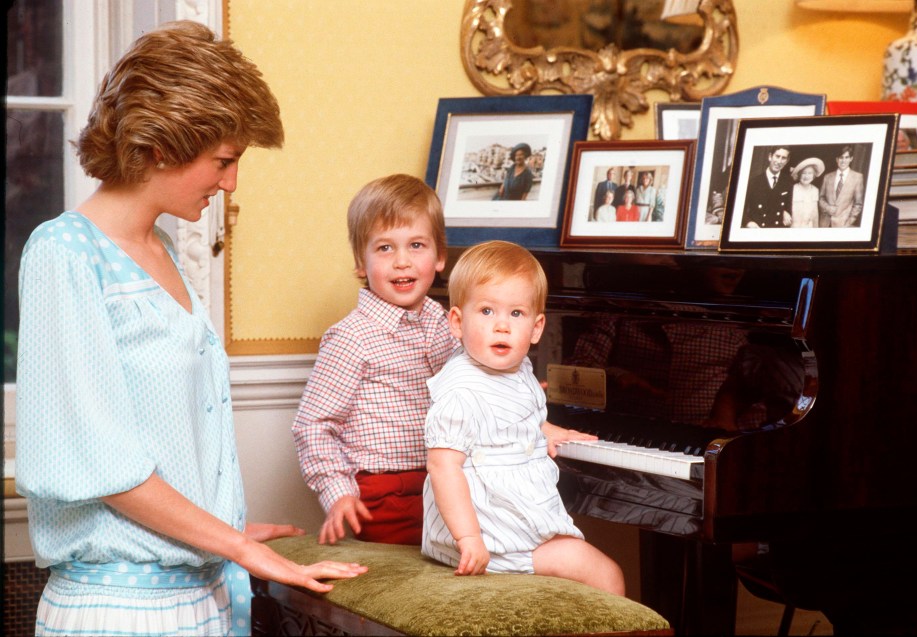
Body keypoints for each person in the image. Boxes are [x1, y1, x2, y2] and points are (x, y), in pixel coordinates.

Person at [14, 21, 367, 637]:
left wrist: (225, 532)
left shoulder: (164, 251)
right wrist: (237, 546)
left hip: (197, 598)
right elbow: (99, 465)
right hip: (123, 614)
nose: (231, 182)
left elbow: (167, 437)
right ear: (159, 146)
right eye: (224, 161)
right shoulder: (65, 253)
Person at [421, 240, 625, 595]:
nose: (502, 326)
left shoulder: (519, 372)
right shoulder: (461, 393)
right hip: (488, 536)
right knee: (606, 575)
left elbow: (520, 418)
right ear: (456, 321)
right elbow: (443, 468)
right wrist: (469, 539)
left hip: (513, 523)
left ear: (536, 327)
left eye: (516, 314)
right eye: (486, 311)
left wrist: (550, 430)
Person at [293, 174, 456, 546]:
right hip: (386, 491)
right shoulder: (351, 337)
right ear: (360, 263)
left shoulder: (449, 326)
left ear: (440, 256)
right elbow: (313, 425)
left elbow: (476, 394)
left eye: (416, 245)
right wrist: (339, 492)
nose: (402, 262)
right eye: (385, 248)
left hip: (450, 478)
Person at [741, 146, 792, 228]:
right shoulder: (753, 182)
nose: (779, 161)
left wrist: (786, 211)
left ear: (787, 161)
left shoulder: (788, 182)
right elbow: (739, 209)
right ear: (770, 157)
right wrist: (748, 222)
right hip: (757, 229)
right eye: (777, 156)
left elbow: (790, 206)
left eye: (783, 158)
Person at [818, 145, 864, 228]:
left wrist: (848, 223)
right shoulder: (827, 177)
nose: (843, 161)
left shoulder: (857, 177)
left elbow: (858, 204)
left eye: (846, 157)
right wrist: (828, 208)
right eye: (841, 157)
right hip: (824, 224)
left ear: (851, 159)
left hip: (843, 224)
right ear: (837, 159)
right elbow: (821, 198)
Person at [785, 157, 824, 228]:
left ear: (814, 175)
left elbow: (815, 214)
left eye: (810, 173)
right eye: (804, 173)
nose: (806, 176)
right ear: (799, 174)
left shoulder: (815, 190)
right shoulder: (792, 189)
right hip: (794, 227)